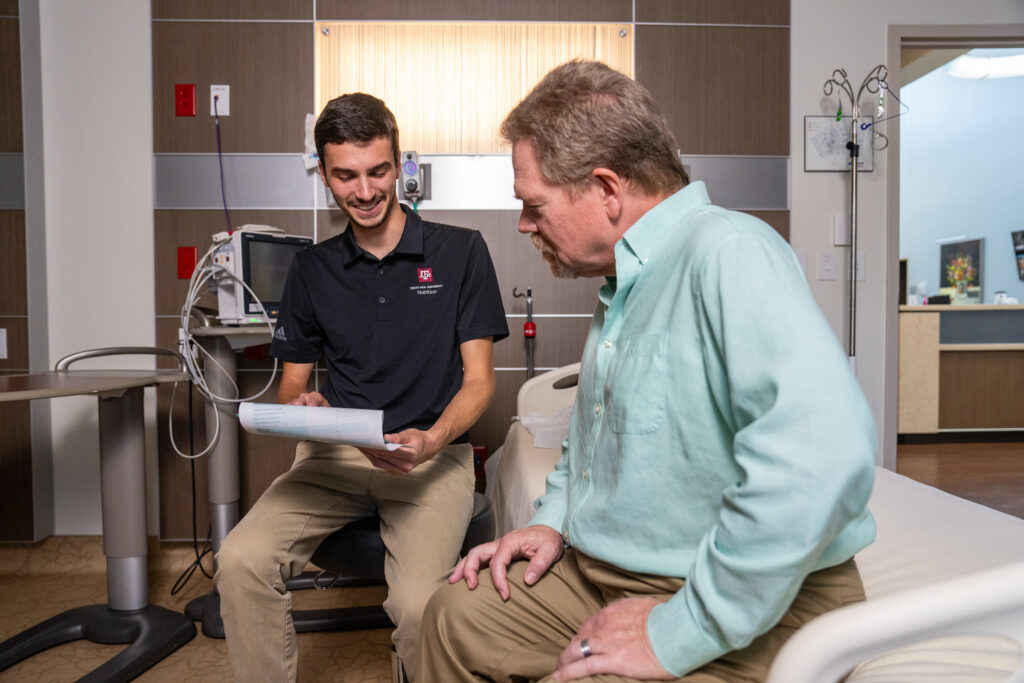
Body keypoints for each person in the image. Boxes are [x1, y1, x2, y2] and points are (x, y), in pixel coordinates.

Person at [418, 60, 876, 682]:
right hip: (604, 576)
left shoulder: (728, 252)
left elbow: (825, 454)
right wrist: (553, 521)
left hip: (749, 599)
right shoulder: (626, 284)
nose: (525, 224)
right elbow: (595, 443)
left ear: (607, 190)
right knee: (452, 617)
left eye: (533, 205)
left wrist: (674, 633)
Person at [215, 92, 509, 682]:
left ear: (400, 163)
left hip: (431, 462)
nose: (366, 191)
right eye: (346, 176)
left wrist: (431, 439)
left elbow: (480, 383)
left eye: (378, 171)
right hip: (334, 459)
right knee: (240, 560)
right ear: (324, 175)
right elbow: (292, 386)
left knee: (418, 607)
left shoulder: (461, 252)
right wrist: (304, 407)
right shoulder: (312, 269)